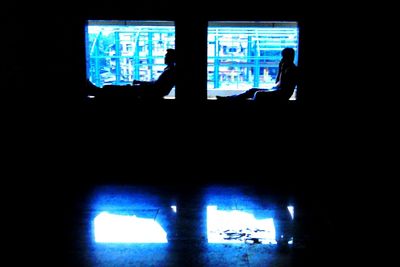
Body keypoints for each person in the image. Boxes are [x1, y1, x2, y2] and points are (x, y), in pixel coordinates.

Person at [85, 48, 176, 100]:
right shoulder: (170, 71)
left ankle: (96, 91)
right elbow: (157, 85)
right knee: (123, 89)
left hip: (146, 92)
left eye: (166, 56)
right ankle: (97, 91)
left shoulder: (169, 72)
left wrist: (141, 83)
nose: (164, 58)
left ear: (171, 58)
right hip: (147, 91)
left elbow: (156, 87)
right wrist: (141, 82)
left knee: (122, 90)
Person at [216, 47, 298, 102]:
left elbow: (283, 86)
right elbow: (277, 82)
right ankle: (229, 99)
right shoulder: (285, 68)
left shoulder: (293, 69)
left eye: (284, 57)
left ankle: (229, 100)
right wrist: (280, 69)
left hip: (281, 94)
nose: (282, 59)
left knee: (258, 94)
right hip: (276, 90)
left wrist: (282, 69)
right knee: (252, 90)